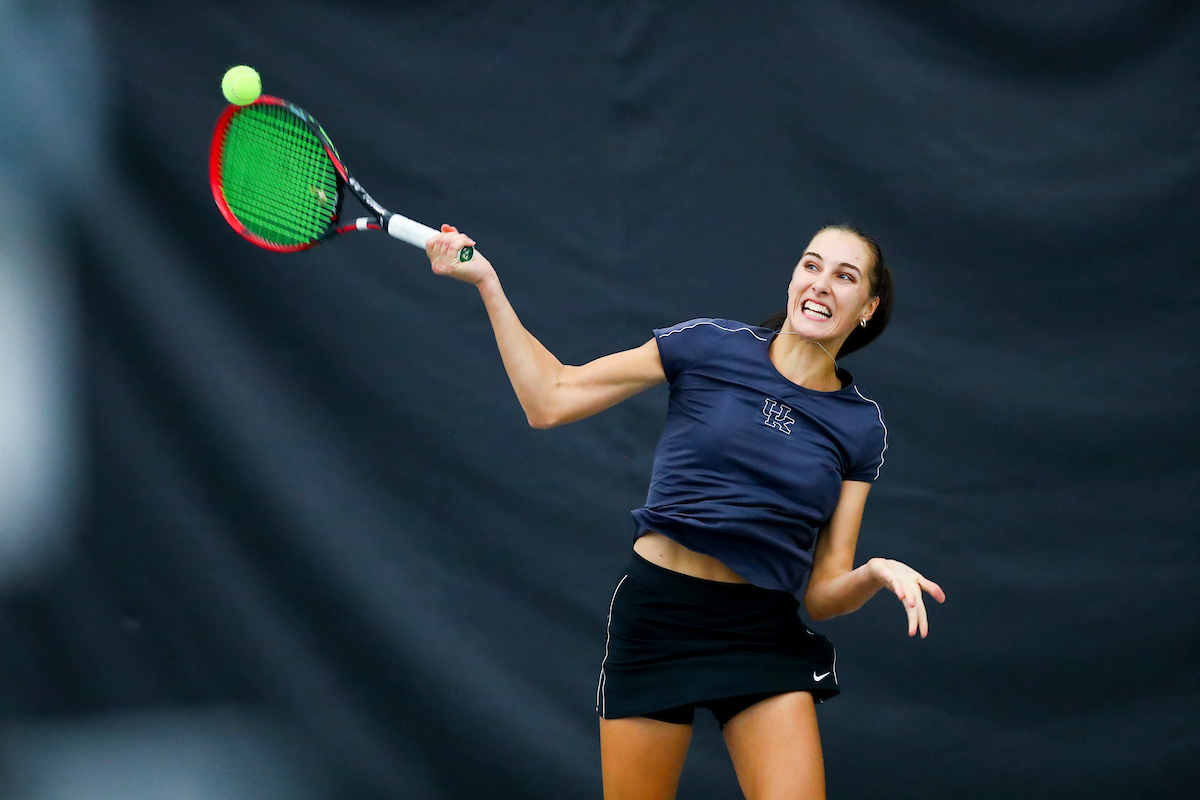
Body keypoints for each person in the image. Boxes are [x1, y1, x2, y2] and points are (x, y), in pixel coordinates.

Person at [424, 223, 945, 800]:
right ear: (795, 277)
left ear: (867, 308)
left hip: (758, 631)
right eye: (811, 265)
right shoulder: (708, 345)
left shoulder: (860, 426)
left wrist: (871, 573)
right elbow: (549, 398)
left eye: (844, 277)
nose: (821, 285)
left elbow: (822, 594)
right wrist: (487, 283)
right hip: (659, 618)